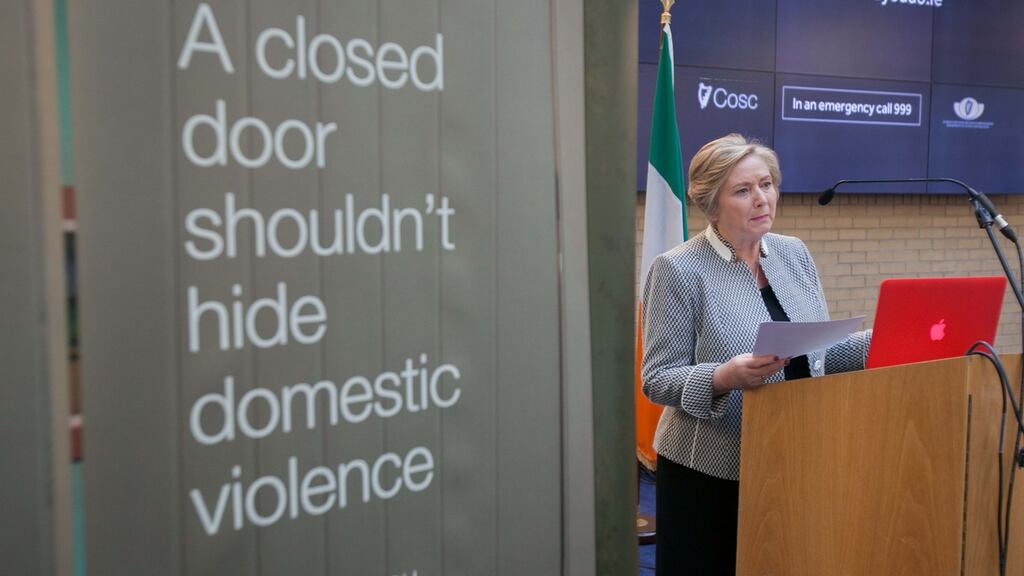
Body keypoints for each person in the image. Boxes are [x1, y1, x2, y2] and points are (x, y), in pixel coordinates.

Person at [641, 134, 871, 576]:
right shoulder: (677, 269)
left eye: (766, 184)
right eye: (743, 190)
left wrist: (884, 341)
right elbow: (657, 378)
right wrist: (725, 376)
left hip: (794, 457)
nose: (762, 199)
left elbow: (815, 355)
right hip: (707, 472)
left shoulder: (793, 253)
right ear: (711, 204)